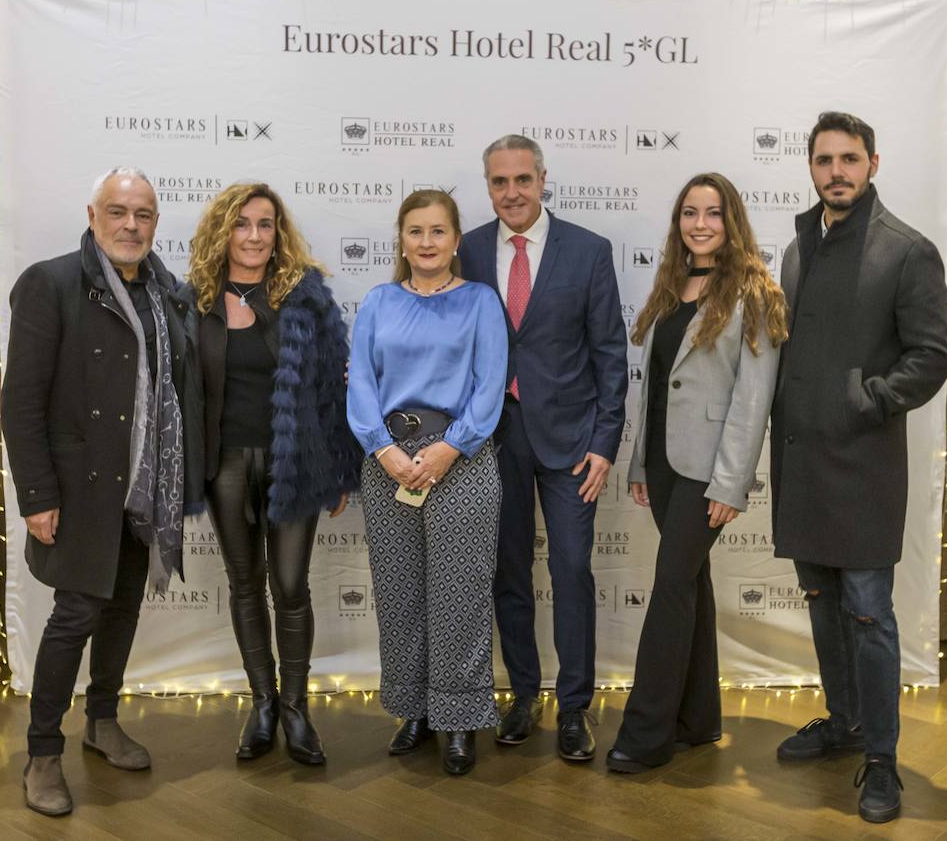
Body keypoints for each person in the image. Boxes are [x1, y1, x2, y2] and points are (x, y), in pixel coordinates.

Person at [771, 112, 947, 823]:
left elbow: (933, 355)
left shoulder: (907, 251)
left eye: (850, 159)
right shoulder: (797, 245)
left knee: (870, 615)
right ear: (810, 167)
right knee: (823, 606)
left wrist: (868, 399)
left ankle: (882, 760)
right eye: (824, 160)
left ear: (873, 163)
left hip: (865, 463)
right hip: (802, 462)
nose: (836, 171)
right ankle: (843, 724)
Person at [3, 167, 198, 817]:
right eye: (118, 212)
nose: (131, 225)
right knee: (75, 617)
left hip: (143, 490)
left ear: (155, 223)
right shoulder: (52, 283)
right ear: (93, 216)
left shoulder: (168, 294)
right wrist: (35, 494)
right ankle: (42, 753)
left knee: (120, 611)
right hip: (79, 489)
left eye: (142, 214)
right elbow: (21, 400)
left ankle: (104, 721)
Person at [606, 173, 786, 773]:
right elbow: (655, 389)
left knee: (670, 586)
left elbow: (752, 399)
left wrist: (731, 483)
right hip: (662, 465)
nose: (700, 224)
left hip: (710, 471)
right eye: (689, 213)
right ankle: (698, 719)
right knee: (691, 584)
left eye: (712, 213)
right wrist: (638, 463)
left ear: (731, 221)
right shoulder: (671, 286)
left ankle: (646, 734)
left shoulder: (754, 292)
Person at [459, 134, 629, 761]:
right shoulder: (469, 248)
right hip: (491, 440)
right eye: (499, 182)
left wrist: (606, 443)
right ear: (489, 187)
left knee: (572, 572)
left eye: (522, 180)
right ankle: (524, 696)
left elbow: (611, 354)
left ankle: (576, 708)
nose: (512, 193)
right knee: (508, 576)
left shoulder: (588, 251)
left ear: (543, 179)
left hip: (573, 444)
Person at [183, 182, 361, 766]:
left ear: (278, 233)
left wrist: (338, 465)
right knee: (243, 582)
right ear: (223, 232)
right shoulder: (196, 301)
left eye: (265, 224)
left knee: (289, 585)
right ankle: (261, 704)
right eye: (242, 224)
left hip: (296, 461)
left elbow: (335, 388)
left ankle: (296, 709)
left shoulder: (305, 297)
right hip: (225, 463)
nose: (255, 236)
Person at [347, 189, 508, 776]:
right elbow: (360, 384)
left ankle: (459, 719)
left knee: (459, 596)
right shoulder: (379, 302)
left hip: (460, 460)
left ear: (456, 240)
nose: (426, 243)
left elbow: (490, 388)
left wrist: (448, 449)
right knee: (399, 593)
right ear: (402, 240)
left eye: (438, 231)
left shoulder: (480, 303)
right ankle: (412, 707)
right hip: (387, 460)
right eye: (415, 232)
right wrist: (384, 450)